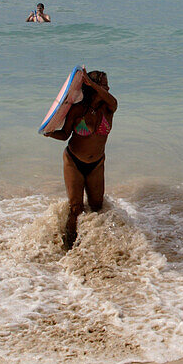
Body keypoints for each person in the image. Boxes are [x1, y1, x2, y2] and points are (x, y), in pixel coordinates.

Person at [44, 70, 117, 249]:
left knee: (97, 206)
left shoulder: (109, 108)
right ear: (91, 87)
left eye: (107, 85)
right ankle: (69, 247)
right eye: (104, 85)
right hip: (73, 161)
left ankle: (95, 245)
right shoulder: (77, 109)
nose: (108, 88)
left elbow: (112, 100)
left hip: (97, 163)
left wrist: (94, 85)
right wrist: (49, 133)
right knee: (76, 208)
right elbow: (64, 135)